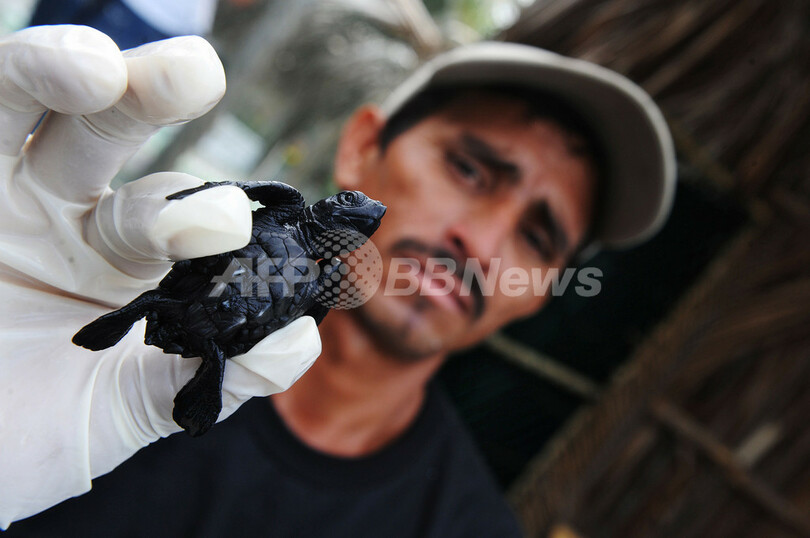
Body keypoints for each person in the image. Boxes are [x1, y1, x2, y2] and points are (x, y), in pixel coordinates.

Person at [0, 25, 675, 537]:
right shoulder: (66, 323)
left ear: (544, 289)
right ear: (360, 148)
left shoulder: (467, 525)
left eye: (538, 237)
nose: (483, 241)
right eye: (470, 170)